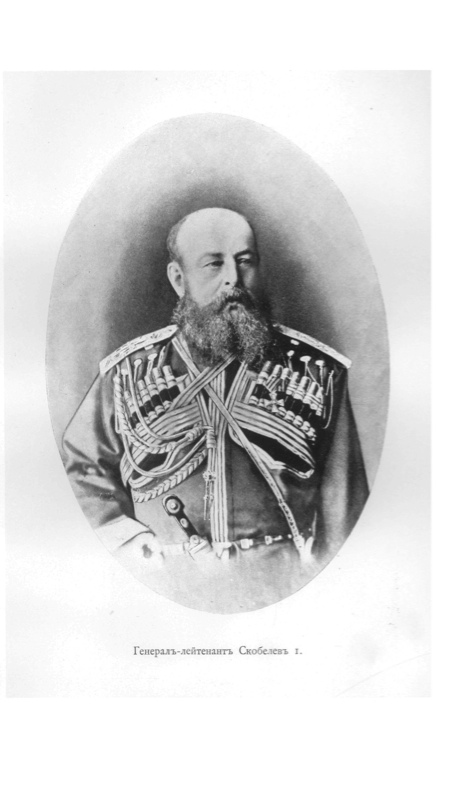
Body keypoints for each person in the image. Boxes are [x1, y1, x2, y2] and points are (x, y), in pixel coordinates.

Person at [63, 207, 368, 612]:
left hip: (279, 589)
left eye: (245, 261)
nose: (233, 279)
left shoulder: (318, 374)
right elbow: (81, 475)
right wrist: (134, 552)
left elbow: (345, 512)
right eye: (214, 264)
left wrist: (323, 594)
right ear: (179, 279)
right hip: (167, 591)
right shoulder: (126, 374)